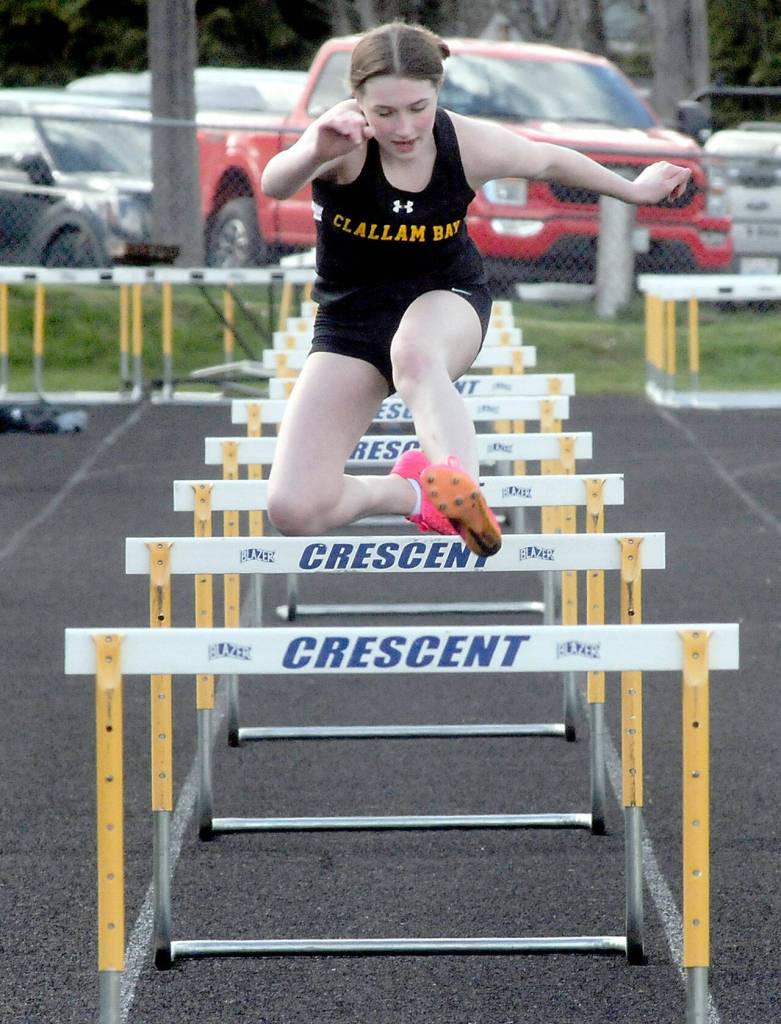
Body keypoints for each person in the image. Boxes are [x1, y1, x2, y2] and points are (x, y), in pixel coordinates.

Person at [261, 21, 691, 557]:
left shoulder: (465, 143)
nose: (403, 128)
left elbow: (549, 159)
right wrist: (313, 152)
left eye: (418, 108)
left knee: (414, 352)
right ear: (358, 101)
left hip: (445, 300)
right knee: (295, 508)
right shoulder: (341, 140)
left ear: (438, 93)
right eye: (384, 112)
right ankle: (415, 492)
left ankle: (459, 481)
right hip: (351, 321)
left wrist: (632, 188)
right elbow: (276, 182)